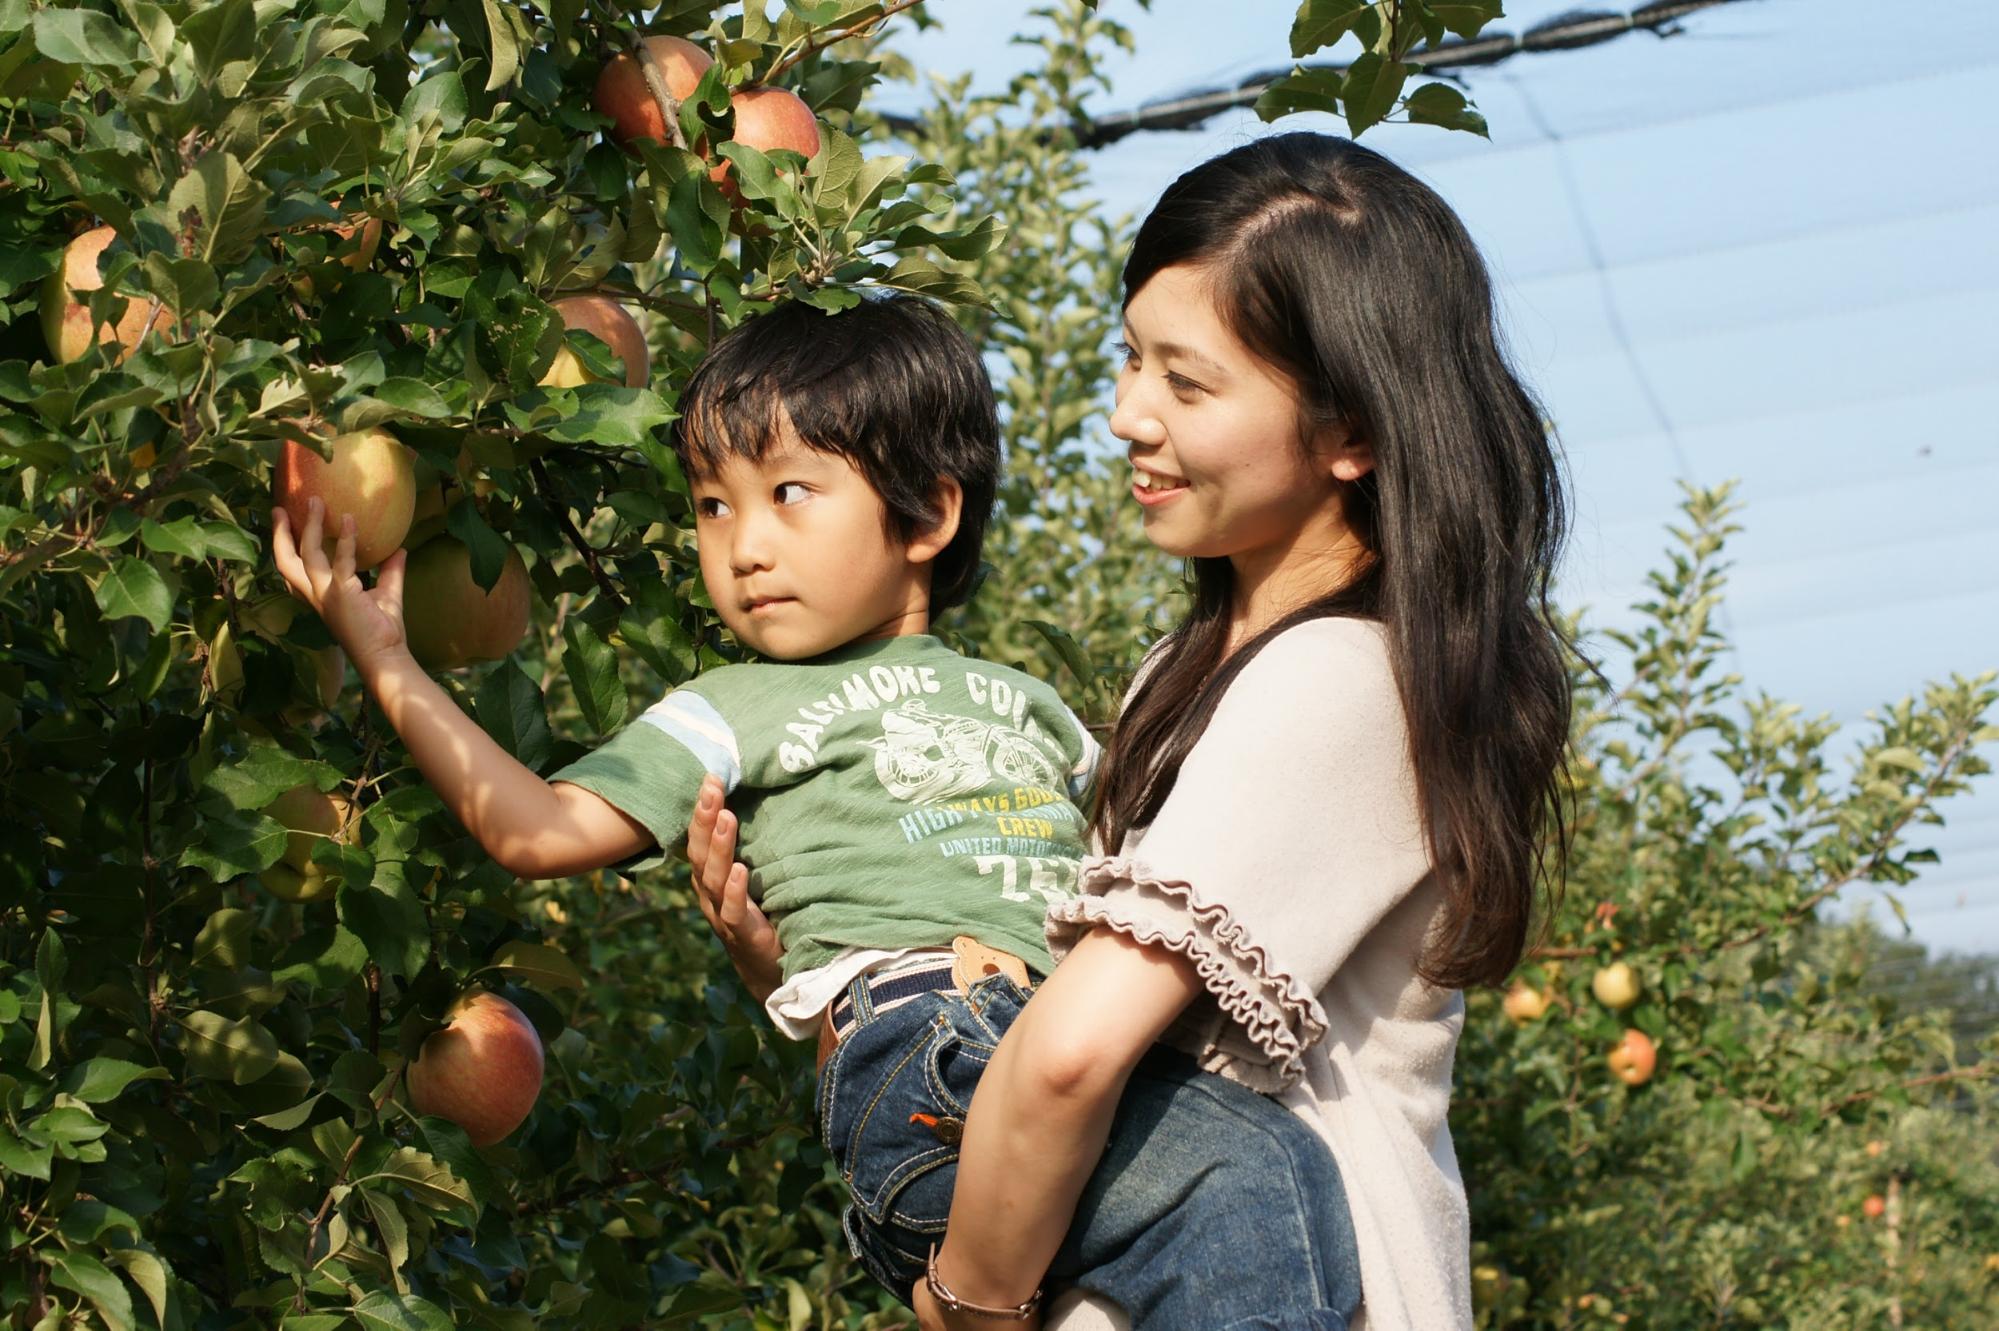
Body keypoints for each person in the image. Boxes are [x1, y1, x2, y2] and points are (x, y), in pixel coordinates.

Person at [267, 292, 1361, 1325]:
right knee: (1251, 1172)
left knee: (1261, 1188)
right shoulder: (730, 706)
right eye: (711, 506)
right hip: (931, 1051)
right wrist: (388, 657)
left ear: (927, 512)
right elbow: (535, 830)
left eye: (788, 494)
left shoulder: (1032, 706)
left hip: (1026, 1048)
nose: (742, 546)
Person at [685, 132, 1575, 1331]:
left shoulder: (1341, 677)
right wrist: (817, 973)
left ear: (1349, 428)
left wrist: (968, 1306)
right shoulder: (1193, 670)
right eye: (1129, 361)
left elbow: (1063, 1054)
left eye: (1185, 382)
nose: (1124, 416)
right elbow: (1007, 1041)